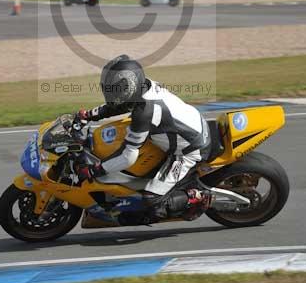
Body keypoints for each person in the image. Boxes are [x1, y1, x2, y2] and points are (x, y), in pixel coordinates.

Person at [78, 54, 212, 222]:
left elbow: (127, 156)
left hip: (189, 151)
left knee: (152, 200)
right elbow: (120, 104)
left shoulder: (144, 112)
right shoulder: (145, 85)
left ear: (129, 86)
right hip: (191, 126)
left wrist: (94, 170)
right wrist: (89, 115)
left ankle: (198, 196)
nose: (111, 92)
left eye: (115, 89)